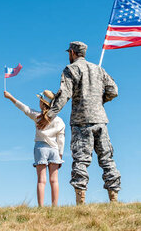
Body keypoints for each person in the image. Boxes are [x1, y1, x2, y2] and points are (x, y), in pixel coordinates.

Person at [37, 41, 121, 204]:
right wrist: (99, 101)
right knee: (107, 158)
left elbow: (64, 95)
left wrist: (49, 116)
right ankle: (114, 199)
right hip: (100, 120)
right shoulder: (98, 69)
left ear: (73, 53)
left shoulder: (71, 70)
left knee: (81, 160)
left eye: (69, 52)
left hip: (81, 122)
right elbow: (114, 90)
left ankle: (80, 201)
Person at [3, 90, 65, 207]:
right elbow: (61, 139)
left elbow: (25, 109)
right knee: (54, 180)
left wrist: (11, 97)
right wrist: (60, 154)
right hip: (54, 149)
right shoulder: (59, 121)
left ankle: (41, 207)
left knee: (42, 180)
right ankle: (54, 206)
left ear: (42, 103)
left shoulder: (38, 117)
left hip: (41, 148)